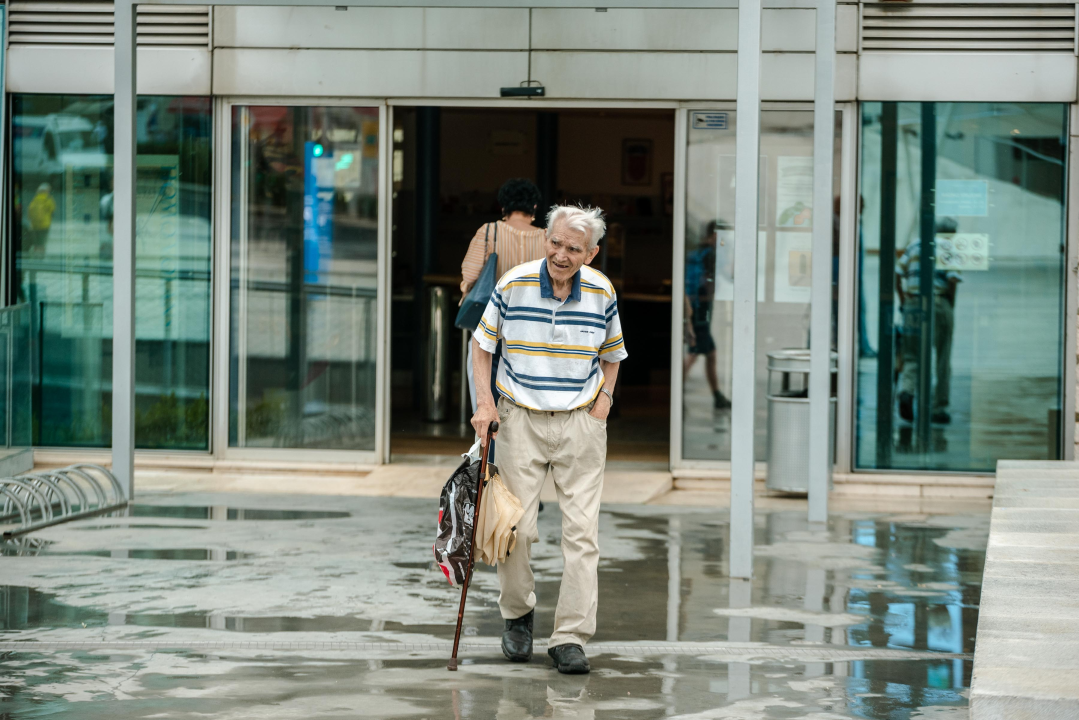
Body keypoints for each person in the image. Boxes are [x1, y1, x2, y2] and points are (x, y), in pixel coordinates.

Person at [470, 204, 626, 675]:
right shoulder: (513, 283)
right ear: (546, 239)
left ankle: (570, 637)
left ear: (591, 253)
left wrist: (603, 405)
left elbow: (613, 354)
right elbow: (482, 347)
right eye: (555, 243)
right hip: (520, 420)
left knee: (583, 535)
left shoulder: (601, 291)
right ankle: (517, 616)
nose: (560, 254)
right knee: (513, 527)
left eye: (573, 248)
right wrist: (485, 404)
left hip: (580, 422)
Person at [460, 178, 547, 411]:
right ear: (534, 208)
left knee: (486, 394)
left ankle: (489, 440)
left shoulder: (489, 232)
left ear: (503, 207)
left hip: (493, 324)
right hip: (534, 329)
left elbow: (470, 274)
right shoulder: (547, 238)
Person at [895, 218, 960, 425]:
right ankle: (939, 408)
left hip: (913, 304)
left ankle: (906, 391)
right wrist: (950, 303)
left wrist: (904, 298)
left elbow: (897, 273)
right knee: (942, 357)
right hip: (938, 303)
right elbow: (952, 279)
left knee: (912, 355)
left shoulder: (914, 244)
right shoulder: (948, 247)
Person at [683, 220, 731, 409]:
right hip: (700, 307)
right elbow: (728, 274)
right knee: (695, 353)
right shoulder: (710, 254)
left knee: (709, 353)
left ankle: (717, 394)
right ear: (715, 235)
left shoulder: (697, 252)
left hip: (695, 306)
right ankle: (676, 393)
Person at [26, 183, 56, 257]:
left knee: (36, 243)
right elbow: (52, 209)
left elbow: (29, 213)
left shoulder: (34, 200)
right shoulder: (48, 199)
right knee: (42, 242)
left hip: (34, 225)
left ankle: (36, 257)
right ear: (46, 191)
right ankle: (42, 257)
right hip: (45, 225)